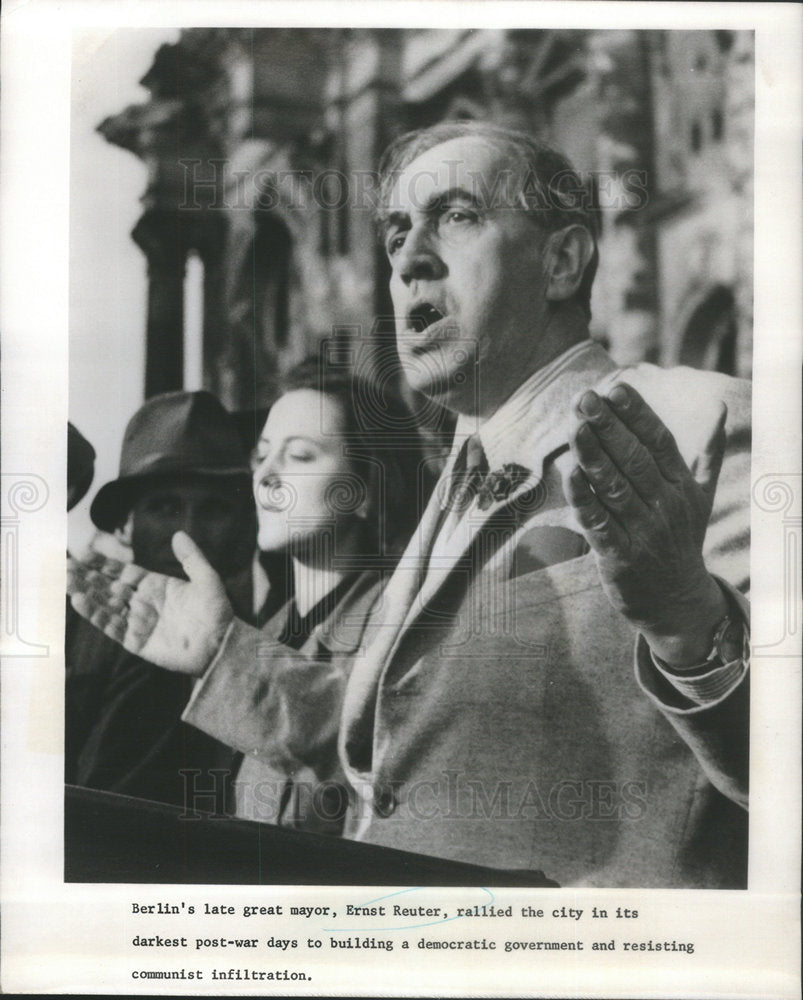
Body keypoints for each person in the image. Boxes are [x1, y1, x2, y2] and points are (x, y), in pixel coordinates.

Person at [68, 122, 750, 887]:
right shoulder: (445, 499)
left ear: (560, 261)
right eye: (395, 234)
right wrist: (228, 658)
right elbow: (399, 761)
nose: (409, 259)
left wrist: (692, 625)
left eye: (456, 216)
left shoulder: (702, 422)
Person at [72, 359, 427, 834]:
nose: (264, 476)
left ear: (365, 489)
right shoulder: (264, 632)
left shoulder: (406, 629)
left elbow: (403, 779)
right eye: (261, 455)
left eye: (300, 455)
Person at [65, 390, 257, 806]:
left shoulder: (264, 648)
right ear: (124, 526)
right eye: (165, 507)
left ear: (244, 526)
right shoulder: (73, 624)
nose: (187, 533)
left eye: (214, 509)